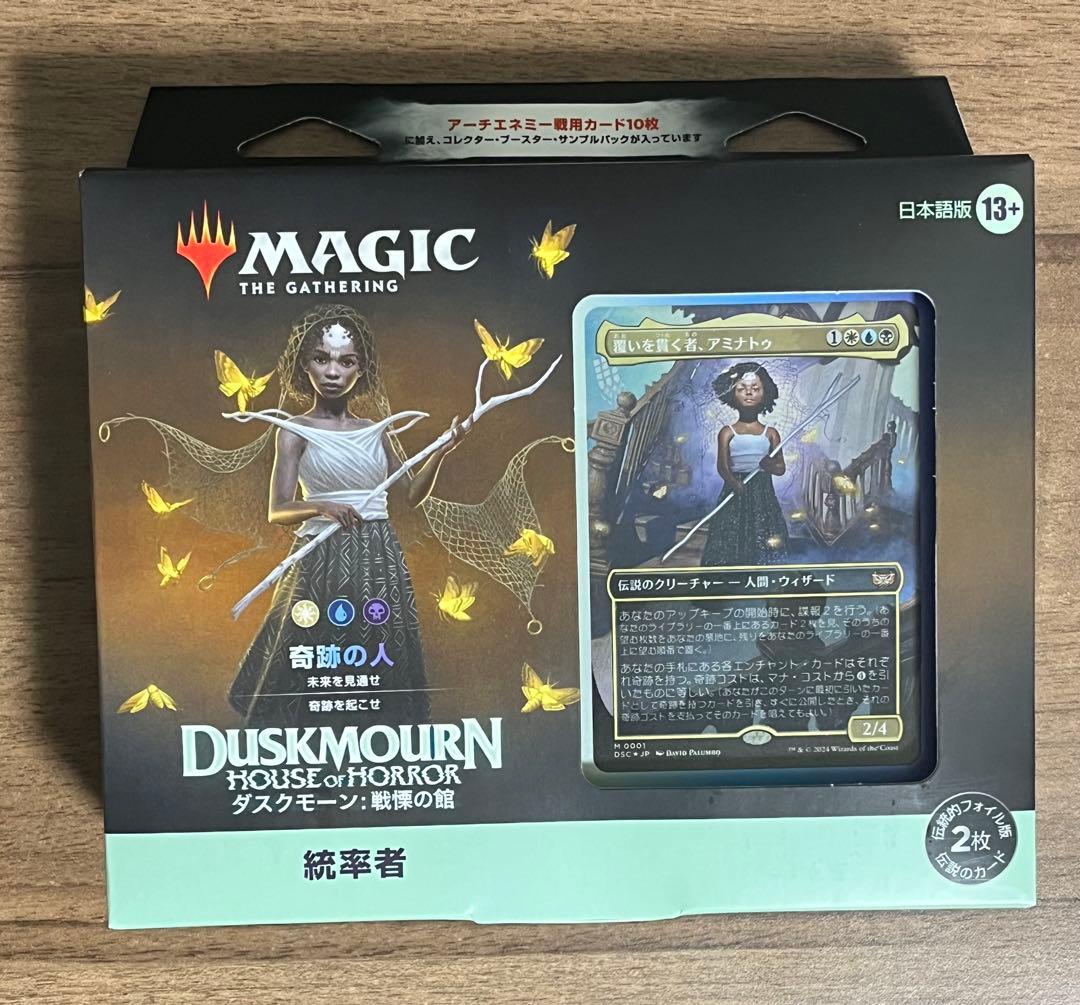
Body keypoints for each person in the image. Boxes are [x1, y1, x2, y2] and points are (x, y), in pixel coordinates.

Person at [227, 310, 467, 726]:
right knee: (308, 647)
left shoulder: (376, 430)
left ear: (361, 368)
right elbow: (278, 510)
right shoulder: (293, 430)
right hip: (319, 559)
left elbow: (411, 495)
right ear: (305, 364)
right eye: (322, 359)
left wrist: (443, 451)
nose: (333, 372)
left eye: (346, 361)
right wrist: (323, 506)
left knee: (377, 647)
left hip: (377, 558)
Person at [700, 362, 789, 566]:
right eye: (742, 389)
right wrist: (734, 483)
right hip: (735, 490)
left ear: (765, 393)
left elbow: (780, 468)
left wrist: (769, 465)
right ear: (732, 393)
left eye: (755, 388)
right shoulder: (727, 432)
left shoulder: (771, 433)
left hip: (762, 491)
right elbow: (723, 467)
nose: (749, 393)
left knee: (764, 531)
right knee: (730, 532)